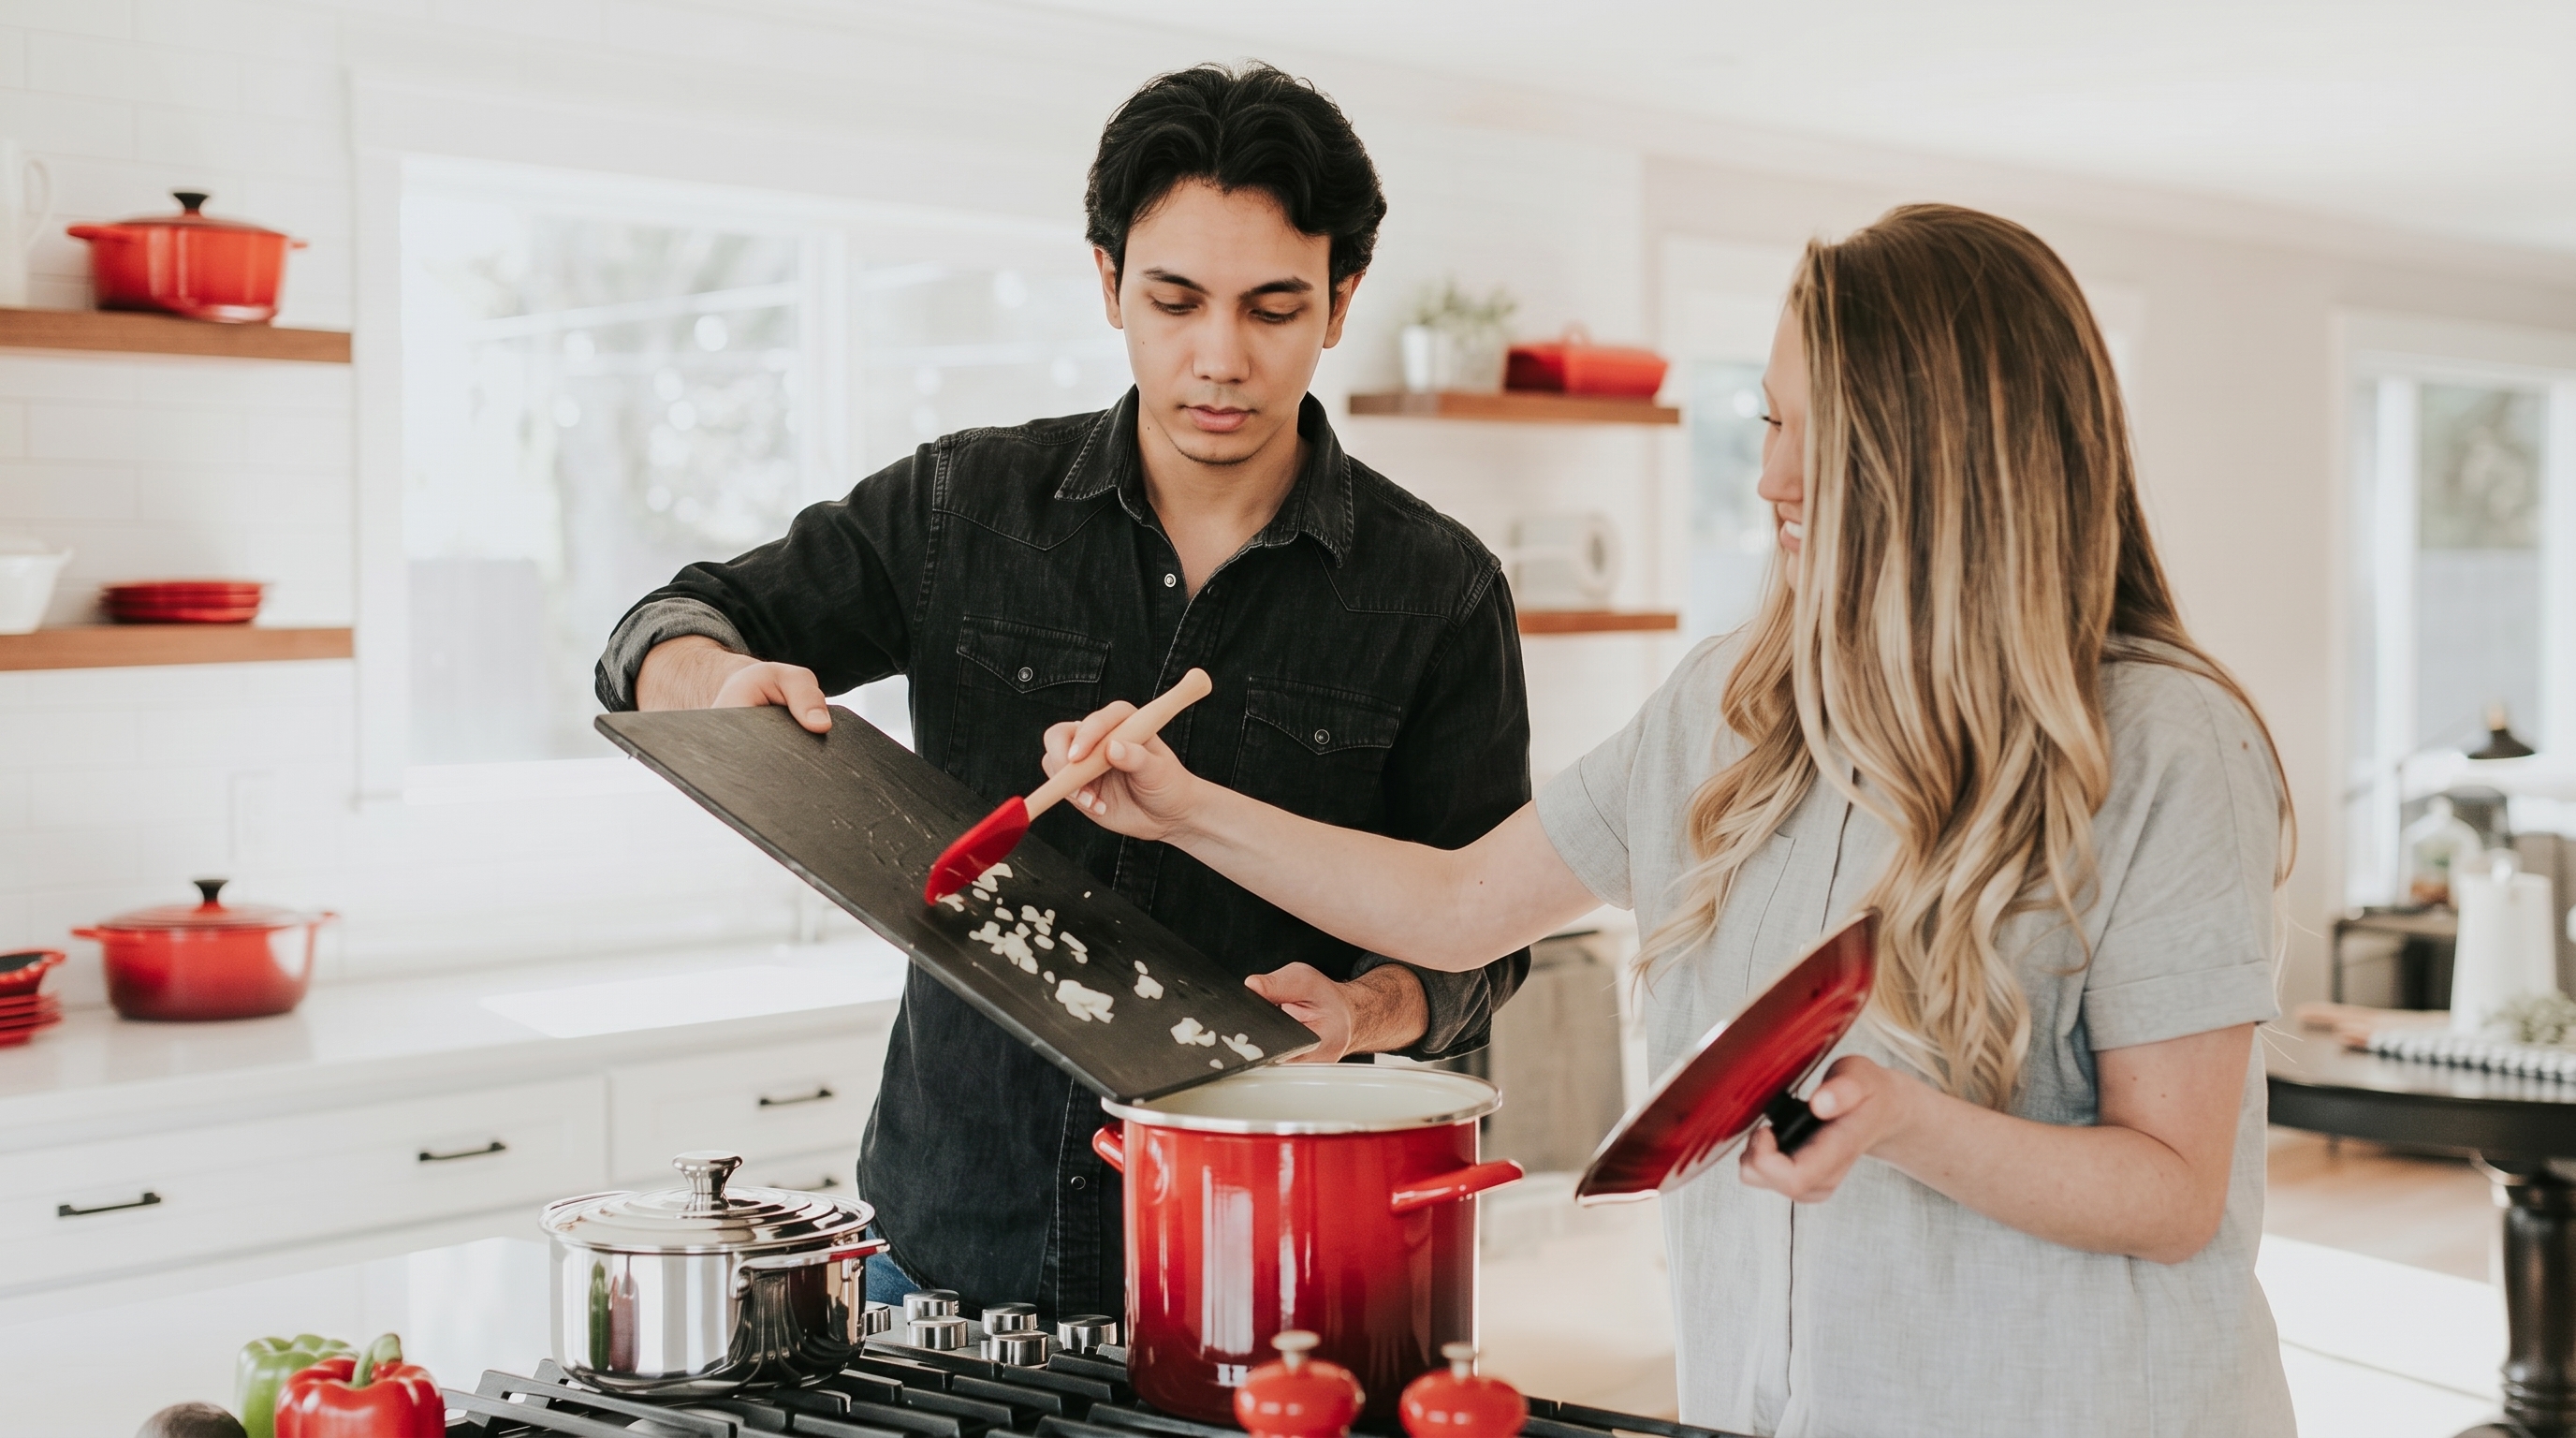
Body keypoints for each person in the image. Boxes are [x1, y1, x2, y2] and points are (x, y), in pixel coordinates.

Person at [1045, 204, 2297, 1436]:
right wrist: (1184, 809)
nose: (1772, 477)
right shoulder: (1729, 707)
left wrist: (1910, 1125)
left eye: (1821, 435)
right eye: (1767, 422)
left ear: (1950, 453)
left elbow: (2178, 1189)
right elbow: (1459, 906)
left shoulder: (2164, 743)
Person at [592, 62, 1531, 1321]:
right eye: (1175, 299)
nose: (1219, 358)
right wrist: (717, 676)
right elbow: (662, 625)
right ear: (1108, 285)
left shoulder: (1442, 592)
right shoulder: (958, 511)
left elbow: (1490, 940)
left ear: (1341, 304)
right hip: (943, 1260)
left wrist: (1368, 1008)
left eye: (1272, 308)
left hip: (1265, 1280)